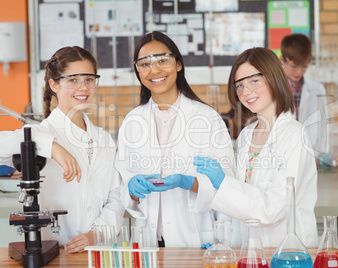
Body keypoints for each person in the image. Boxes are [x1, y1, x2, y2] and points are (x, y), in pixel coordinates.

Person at [115, 31, 235, 247]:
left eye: (163, 60)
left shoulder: (207, 118)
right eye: (145, 64)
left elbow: (228, 185)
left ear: (178, 64)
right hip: (147, 242)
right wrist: (131, 190)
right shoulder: (132, 121)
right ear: (138, 71)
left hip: (195, 238)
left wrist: (189, 183)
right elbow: (121, 185)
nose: (155, 70)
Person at [0, 46, 125, 253]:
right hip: (53, 253)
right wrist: (52, 147)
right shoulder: (39, 133)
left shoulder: (104, 139)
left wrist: (97, 234)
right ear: (54, 84)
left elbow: (116, 197)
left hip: (98, 251)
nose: (83, 87)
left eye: (89, 79)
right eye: (73, 80)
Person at [194, 47, 318, 247]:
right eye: (240, 85)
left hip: (287, 249)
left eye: (254, 81)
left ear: (273, 77)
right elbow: (240, 199)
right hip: (250, 248)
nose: (246, 91)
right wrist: (222, 240)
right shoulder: (246, 135)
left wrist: (223, 182)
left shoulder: (294, 135)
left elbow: (274, 209)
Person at [280, 33, 326, 154]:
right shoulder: (273, 88)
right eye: (294, 66)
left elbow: (323, 127)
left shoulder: (317, 89)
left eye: (304, 66)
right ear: (282, 60)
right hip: (283, 153)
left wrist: (321, 156)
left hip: (311, 154)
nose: (299, 72)